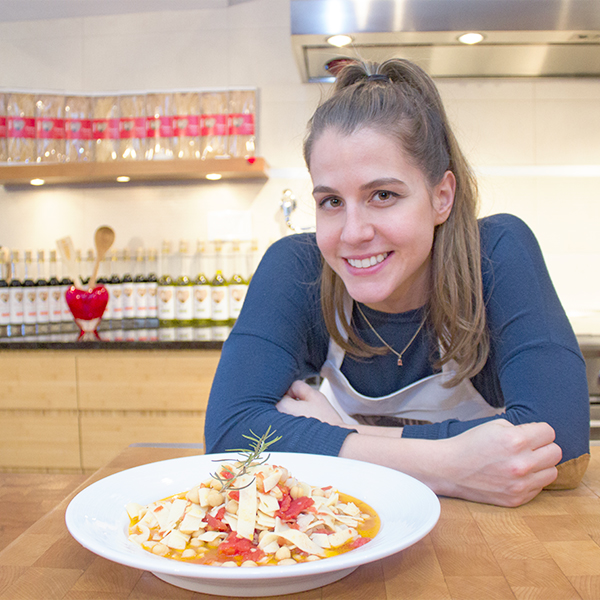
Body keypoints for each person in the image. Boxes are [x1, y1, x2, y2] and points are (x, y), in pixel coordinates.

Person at [204, 58, 590, 507]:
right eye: (331, 201)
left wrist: (342, 436)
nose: (352, 232)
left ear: (441, 197)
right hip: (362, 529)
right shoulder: (297, 267)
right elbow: (229, 435)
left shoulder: (496, 252)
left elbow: (562, 442)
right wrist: (451, 464)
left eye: (383, 195)